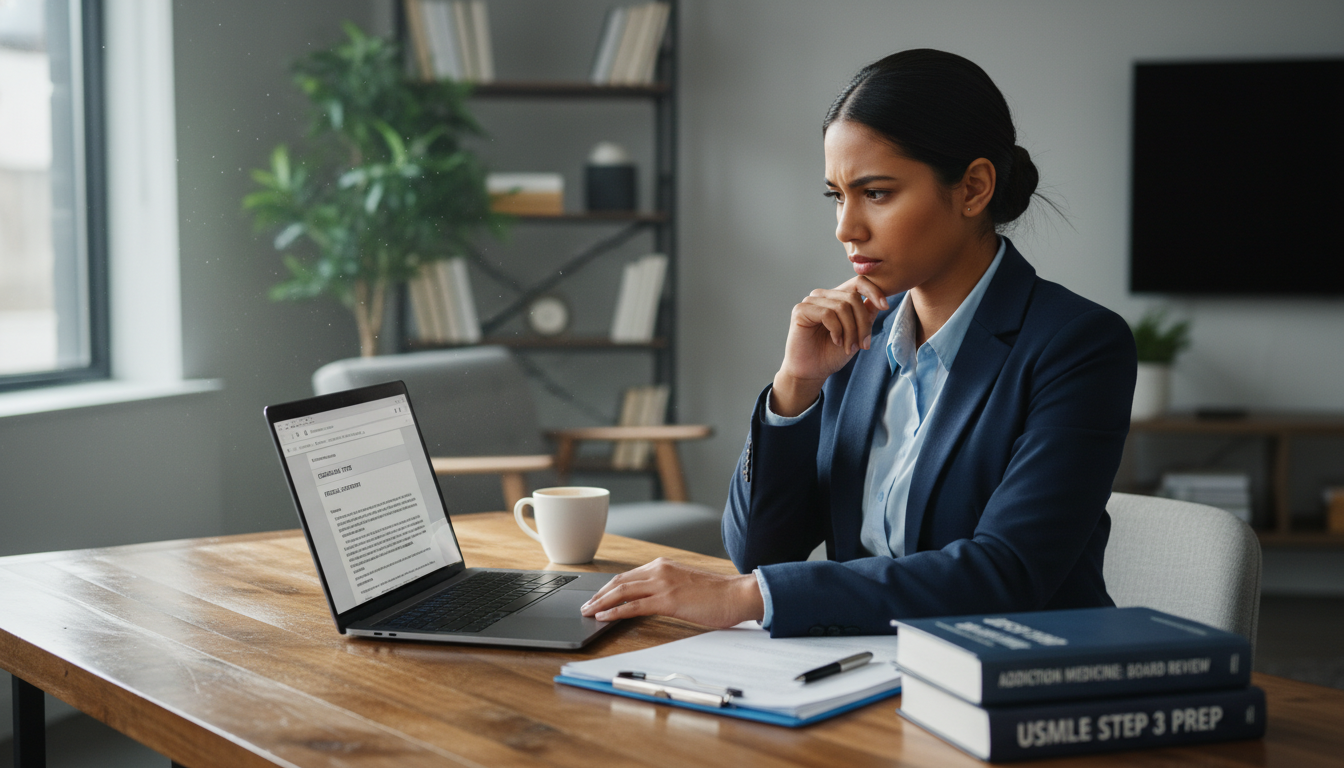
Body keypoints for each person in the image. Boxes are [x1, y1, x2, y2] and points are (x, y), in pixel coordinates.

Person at [581, 49, 1136, 636]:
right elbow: (760, 551)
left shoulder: (1077, 346)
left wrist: (747, 597)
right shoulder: (853, 336)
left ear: (973, 188)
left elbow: (1006, 573)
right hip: (858, 668)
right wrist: (796, 385)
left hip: (1009, 679)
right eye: (836, 196)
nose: (846, 228)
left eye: (876, 193)